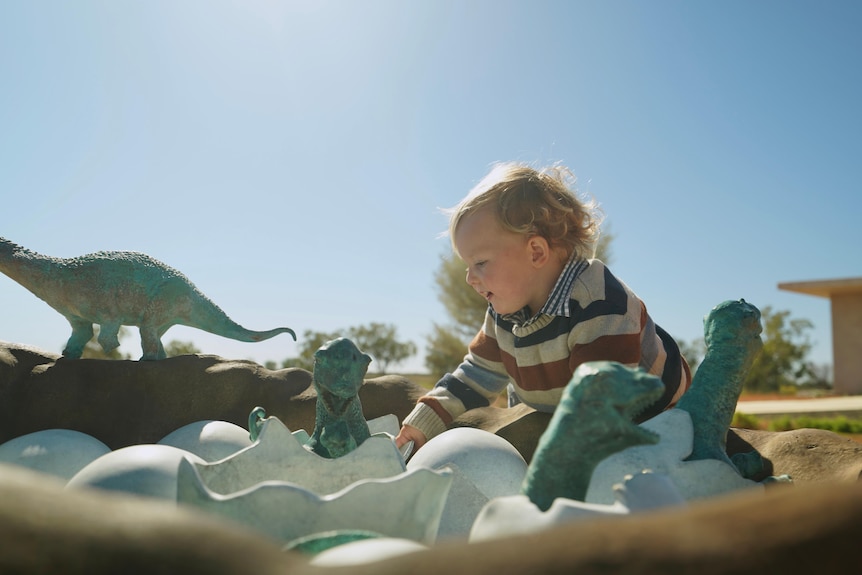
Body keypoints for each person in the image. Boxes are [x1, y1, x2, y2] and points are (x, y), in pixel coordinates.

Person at [395, 161, 691, 452]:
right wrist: (425, 421)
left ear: (536, 251)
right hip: (562, 405)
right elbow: (476, 375)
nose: (469, 278)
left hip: (649, 408)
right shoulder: (504, 313)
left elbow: (602, 402)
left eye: (480, 263)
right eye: (467, 265)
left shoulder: (600, 303)